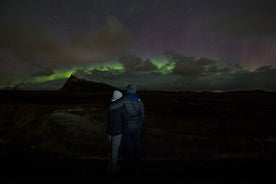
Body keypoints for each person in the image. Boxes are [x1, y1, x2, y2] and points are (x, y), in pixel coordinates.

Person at [108, 84, 145, 171]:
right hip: (137, 127)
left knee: (127, 144)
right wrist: (140, 124)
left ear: (127, 90)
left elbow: (112, 106)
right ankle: (137, 162)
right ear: (135, 90)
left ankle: (127, 162)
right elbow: (143, 115)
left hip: (127, 126)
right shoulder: (140, 101)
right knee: (137, 144)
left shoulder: (124, 99)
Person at [106, 90, 124, 174]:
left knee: (110, 149)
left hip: (109, 130)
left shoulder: (109, 105)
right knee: (115, 150)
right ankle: (114, 168)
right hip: (117, 131)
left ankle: (109, 166)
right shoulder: (120, 108)